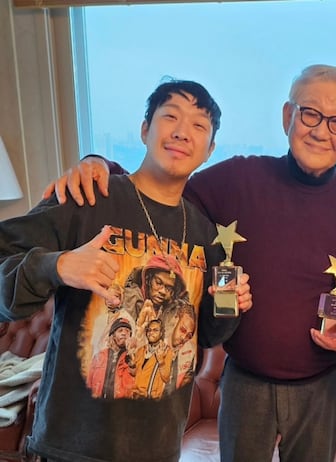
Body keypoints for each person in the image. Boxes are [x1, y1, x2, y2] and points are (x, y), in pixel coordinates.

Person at [43, 64, 336, 462]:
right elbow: (160, 187)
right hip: (244, 383)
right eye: (310, 113)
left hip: (321, 387)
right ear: (287, 116)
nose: (321, 130)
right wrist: (101, 165)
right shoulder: (237, 178)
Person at [0, 79, 253, 462]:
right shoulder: (88, 198)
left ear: (209, 150)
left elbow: (207, 335)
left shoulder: (205, 234)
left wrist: (228, 306)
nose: (182, 132)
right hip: (72, 445)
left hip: (159, 447)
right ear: (144, 129)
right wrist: (58, 265)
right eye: (170, 116)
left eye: (199, 125)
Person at [87, 316, 135, 399]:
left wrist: (131, 355)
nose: (124, 333)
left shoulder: (133, 358)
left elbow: (136, 377)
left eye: (127, 331)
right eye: (120, 330)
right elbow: (89, 382)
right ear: (113, 335)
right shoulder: (99, 356)